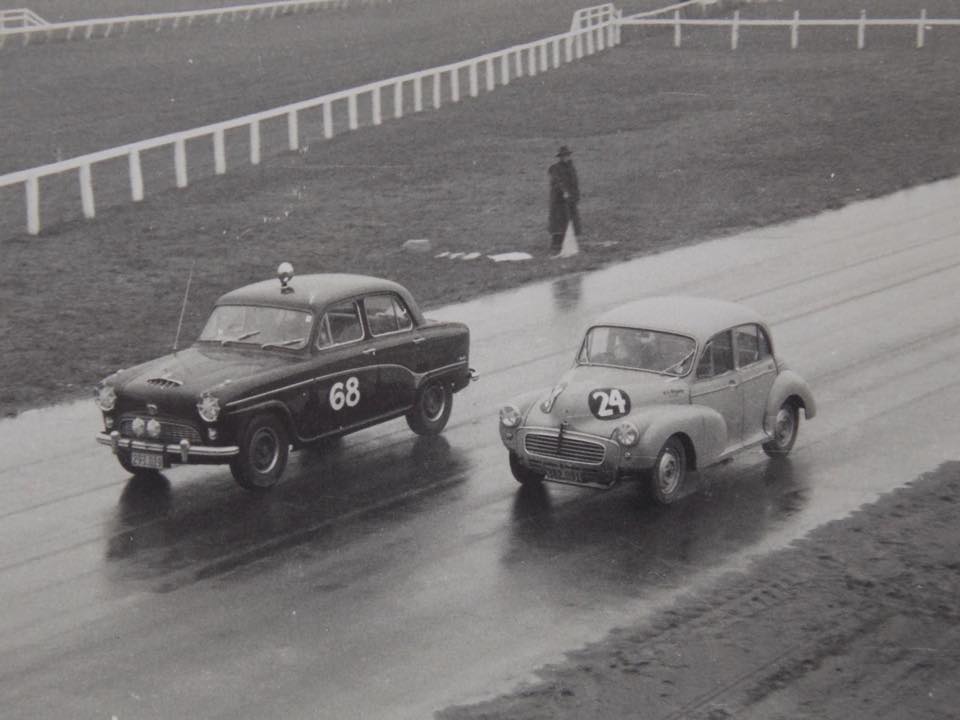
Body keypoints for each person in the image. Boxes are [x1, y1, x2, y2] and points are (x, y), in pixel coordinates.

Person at [547, 145, 581, 256]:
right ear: (560, 157)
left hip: (570, 199)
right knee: (559, 221)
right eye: (563, 156)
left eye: (567, 155)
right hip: (558, 200)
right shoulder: (555, 168)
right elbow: (557, 181)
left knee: (570, 219)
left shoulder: (571, 167)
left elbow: (574, 182)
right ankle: (556, 245)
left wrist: (575, 195)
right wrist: (564, 191)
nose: (566, 157)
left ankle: (568, 241)